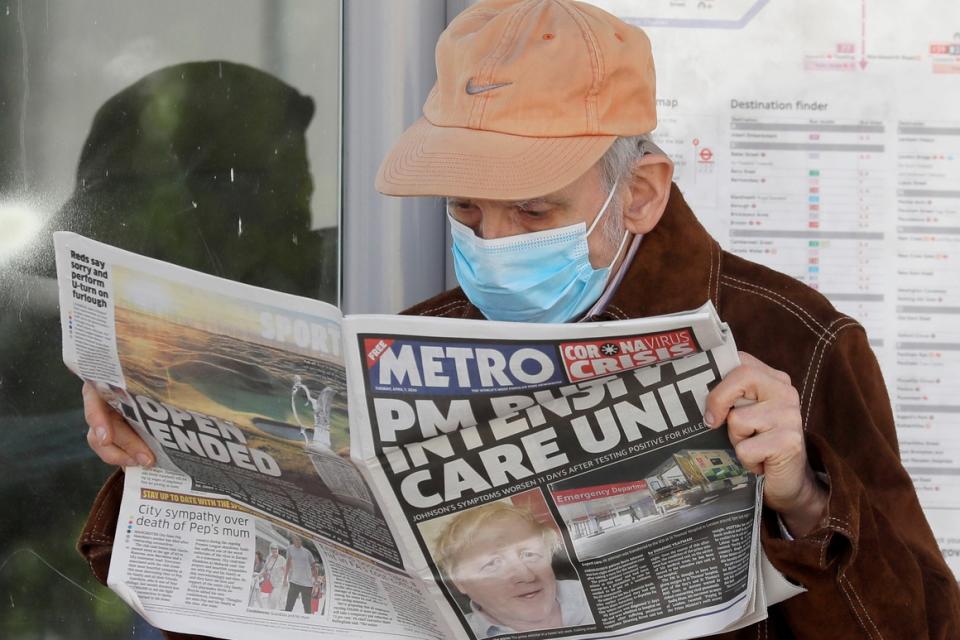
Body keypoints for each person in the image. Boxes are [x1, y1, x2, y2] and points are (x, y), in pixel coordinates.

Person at [79, 1, 960, 637]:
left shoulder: (796, 343)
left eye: (532, 213)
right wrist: (172, 461)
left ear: (641, 192)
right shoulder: (421, 338)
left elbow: (921, 624)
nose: (493, 245)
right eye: (466, 213)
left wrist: (804, 499)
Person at [435, 502, 592, 638]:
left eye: (529, 554)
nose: (527, 576)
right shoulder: (454, 633)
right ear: (460, 581)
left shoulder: (589, 592)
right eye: (493, 564)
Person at [283, 535, 316, 613]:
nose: (299, 541)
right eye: (297, 539)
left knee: (307, 610)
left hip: (307, 584)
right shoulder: (290, 549)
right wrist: (285, 578)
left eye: (300, 540)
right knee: (288, 607)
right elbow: (288, 563)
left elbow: (314, 567)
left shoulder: (307, 552)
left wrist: (316, 582)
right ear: (293, 540)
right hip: (294, 582)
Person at [258, 543, 287, 610]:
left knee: (274, 599)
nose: (275, 550)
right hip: (271, 582)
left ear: (278, 549)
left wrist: (285, 580)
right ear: (271, 550)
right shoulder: (269, 558)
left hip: (279, 583)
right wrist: (259, 575)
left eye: (276, 548)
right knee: (270, 599)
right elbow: (265, 568)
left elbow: (285, 571)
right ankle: (270, 612)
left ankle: (275, 612)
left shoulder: (281, 559)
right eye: (273, 549)